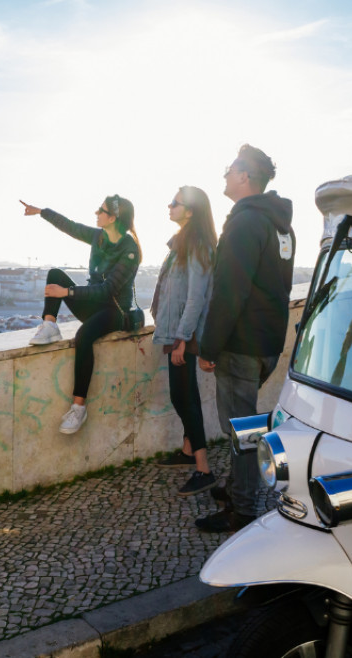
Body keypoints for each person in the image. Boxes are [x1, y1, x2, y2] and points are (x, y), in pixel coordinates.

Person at [195, 145, 295, 533]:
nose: (223, 177)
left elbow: (229, 292)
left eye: (228, 170)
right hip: (267, 344)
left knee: (243, 433)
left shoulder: (244, 223)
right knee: (248, 426)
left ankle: (244, 509)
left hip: (240, 345)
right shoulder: (281, 224)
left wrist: (209, 347)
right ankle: (239, 487)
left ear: (243, 176)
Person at [20, 195, 142, 434]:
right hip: (94, 304)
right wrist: (41, 211)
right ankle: (50, 325)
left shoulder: (130, 249)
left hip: (115, 310)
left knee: (84, 335)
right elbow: (71, 227)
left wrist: (67, 292)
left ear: (113, 218)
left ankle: (79, 408)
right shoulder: (99, 236)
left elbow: (108, 290)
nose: (96, 212)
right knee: (55, 274)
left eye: (101, 210)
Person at [151, 186, 218, 496]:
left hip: (185, 333)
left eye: (175, 202)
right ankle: (189, 451)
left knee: (183, 396)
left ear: (190, 211)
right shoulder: (183, 242)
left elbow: (196, 297)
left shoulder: (198, 245)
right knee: (183, 393)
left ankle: (204, 469)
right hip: (177, 330)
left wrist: (182, 338)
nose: (170, 205)